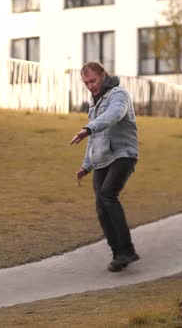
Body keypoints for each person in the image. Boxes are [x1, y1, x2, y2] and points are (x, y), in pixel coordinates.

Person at [70, 61, 140, 272]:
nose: (90, 86)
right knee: (101, 207)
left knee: (108, 195)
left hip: (122, 155)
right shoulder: (94, 105)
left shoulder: (119, 95)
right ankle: (119, 254)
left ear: (103, 75)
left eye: (93, 80)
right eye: (86, 83)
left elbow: (114, 115)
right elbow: (94, 140)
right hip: (101, 161)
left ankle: (127, 250)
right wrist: (85, 166)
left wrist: (87, 128)